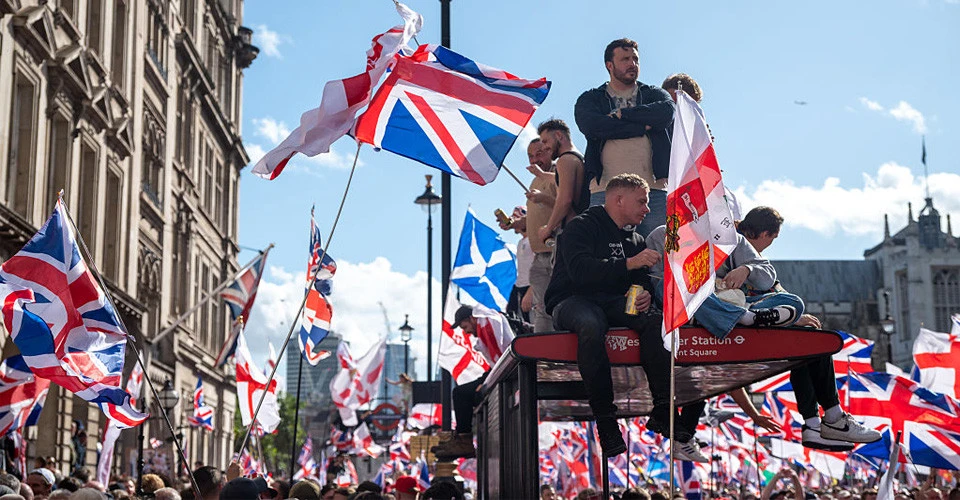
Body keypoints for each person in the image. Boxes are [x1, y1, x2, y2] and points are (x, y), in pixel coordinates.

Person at [649, 206, 881, 449]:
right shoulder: (664, 235)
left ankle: (818, 422)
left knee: (805, 326)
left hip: (744, 313)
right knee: (676, 287)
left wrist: (747, 269)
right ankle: (744, 318)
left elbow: (773, 283)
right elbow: (655, 283)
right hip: (697, 312)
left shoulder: (734, 242)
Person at [544, 173, 707, 461]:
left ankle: (662, 411)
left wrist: (643, 293)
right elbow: (580, 273)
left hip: (614, 302)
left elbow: (640, 280)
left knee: (656, 321)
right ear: (619, 199)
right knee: (591, 324)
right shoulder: (580, 227)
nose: (647, 208)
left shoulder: (637, 238)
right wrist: (630, 263)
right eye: (642, 201)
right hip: (571, 301)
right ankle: (606, 421)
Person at [574, 38, 674, 237]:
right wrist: (641, 127)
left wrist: (624, 115)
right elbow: (592, 126)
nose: (632, 64)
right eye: (625, 59)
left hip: (653, 191)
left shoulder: (654, 94)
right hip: (605, 190)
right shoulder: (591, 99)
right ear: (609, 65)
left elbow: (666, 113)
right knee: (607, 254)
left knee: (658, 255)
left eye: (635, 59)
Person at [431, 305, 514, 459]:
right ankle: (462, 438)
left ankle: (464, 441)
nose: (466, 332)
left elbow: (500, 357)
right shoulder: (485, 324)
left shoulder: (487, 323)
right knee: (460, 392)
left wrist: (488, 382)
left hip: (506, 370)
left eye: (465, 326)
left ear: (472, 318)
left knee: (460, 393)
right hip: (499, 369)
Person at [524, 138, 559, 332]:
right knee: (541, 309)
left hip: (556, 251)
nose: (534, 159)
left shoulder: (557, 174)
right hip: (539, 255)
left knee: (556, 306)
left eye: (539, 154)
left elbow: (568, 207)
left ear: (549, 150)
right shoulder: (535, 179)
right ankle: (544, 358)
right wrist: (517, 223)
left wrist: (543, 198)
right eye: (530, 156)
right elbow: (538, 213)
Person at [535, 119, 587, 247]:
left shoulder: (564, 161)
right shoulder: (577, 158)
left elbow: (565, 200)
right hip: (581, 231)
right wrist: (541, 174)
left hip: (573, 234)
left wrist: (548, 229)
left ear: (559, 135)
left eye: (545, 141)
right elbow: (561, 180)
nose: (544, 147)